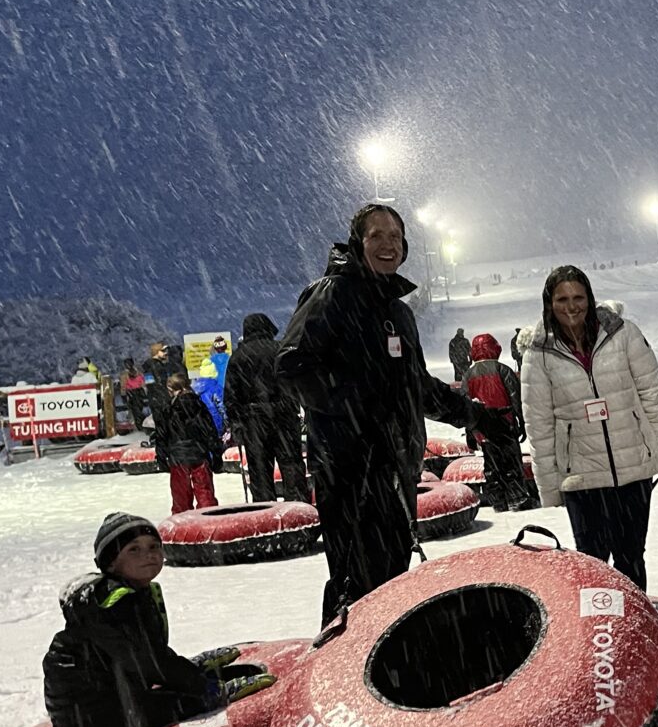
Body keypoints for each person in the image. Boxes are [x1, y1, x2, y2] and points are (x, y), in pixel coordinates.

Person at [279, 203, 479, 625]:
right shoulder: (332, 293)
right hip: (352, 469)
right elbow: (292, 366)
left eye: (395, 237)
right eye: (376, 236)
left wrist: (472, 414)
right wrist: (350, 410)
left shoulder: (398, 312)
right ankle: (337, 676)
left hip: (396, 467)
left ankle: (388, 680)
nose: (388, 245)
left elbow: (415, 385)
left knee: (392, 584)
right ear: (358, 243)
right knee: (356, 588)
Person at [43, 513, 274, 727]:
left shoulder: (129, 593)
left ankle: (193, 673)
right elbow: (149, 662)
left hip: (111, 697)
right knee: (182, 702)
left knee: (177, 684)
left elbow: (148, 654)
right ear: (111, 561)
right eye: (134, 549)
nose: (149, 554)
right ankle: (204, 688)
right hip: (93, 718)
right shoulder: (113, 603)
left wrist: (185, 671)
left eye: (154, 546)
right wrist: (206, 689)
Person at [522, 267, 658, 588]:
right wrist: (549, 486)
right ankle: (599, 635)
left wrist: (654, 446)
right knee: (592, 568)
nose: (571, 306)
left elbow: (651, 392)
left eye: (578, 297)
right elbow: (539, 425)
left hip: (631, 472)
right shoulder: (539, 354)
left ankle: (634, 631)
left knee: (632, 560)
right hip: (582, 480)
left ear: (589, 298)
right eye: (562, 299)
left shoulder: (623, 334)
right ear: (549, 303)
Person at [225, 312, 309, 503]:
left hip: (253, 421)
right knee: (291, 465)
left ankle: (266, 514)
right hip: (284, 417)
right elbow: (295, 384)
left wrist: (236, 421)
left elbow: (231, 396)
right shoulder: (280, 350)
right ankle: (298, 512)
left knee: (260, 470)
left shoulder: (238, 357)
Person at [463, 332, 534, 511]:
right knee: (511, 463)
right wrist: (522, 420)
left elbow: (464, 405)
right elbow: (515, 397)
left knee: (491, 465)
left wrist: (470, 431)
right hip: (504, 424)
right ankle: (517, 497)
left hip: (481, 428)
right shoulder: (502, 370)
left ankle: (498, 501)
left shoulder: (468, 375)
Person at [155, 373, 222, 513]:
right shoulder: (198, 404)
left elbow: (161, 436)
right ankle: (209, 522)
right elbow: (210, 431)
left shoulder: (168, 409)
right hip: (200, 454)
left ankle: (183, 526)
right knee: (205, 496)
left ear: (172, 389)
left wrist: (161, 457)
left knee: (181, 500)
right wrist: (216, 454)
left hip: (178, 457)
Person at [119, 359, 148, 432]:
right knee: (140, 409)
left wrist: (123, 396)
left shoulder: (124, 375)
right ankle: (142, 423)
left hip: (131, 393)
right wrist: (145, 392)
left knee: (135, 411)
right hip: (139, 392)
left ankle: (139, 425)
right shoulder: (138, 372)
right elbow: (143, 383)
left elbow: (123, 386)